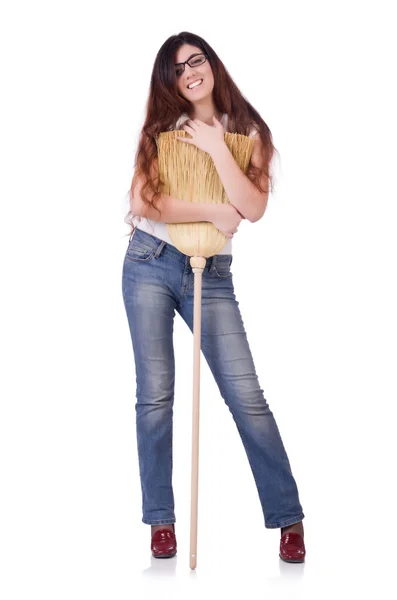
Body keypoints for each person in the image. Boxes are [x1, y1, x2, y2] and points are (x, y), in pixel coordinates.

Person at [122, 31, 306, 563]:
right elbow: (142, 200)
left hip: (214, 272)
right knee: (155, 397)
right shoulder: (162, 130)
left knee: (246, 395)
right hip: (150, 264)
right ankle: (161, 522)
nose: (189, 74)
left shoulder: (249, 131)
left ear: (211, 64)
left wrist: (213, 148)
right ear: (171, 83)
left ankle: (288, 518)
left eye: (195, 62)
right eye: (177, 70)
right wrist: (210, 213)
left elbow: (251, 207)